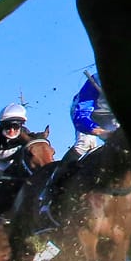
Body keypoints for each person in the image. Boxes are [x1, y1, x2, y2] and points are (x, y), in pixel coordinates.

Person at [38, 73, 118, 225]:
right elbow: (80, 115)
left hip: (116, 118)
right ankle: (49, 192)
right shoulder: (96, 81)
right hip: (90, 115)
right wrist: (100, 132)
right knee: (85, 143)